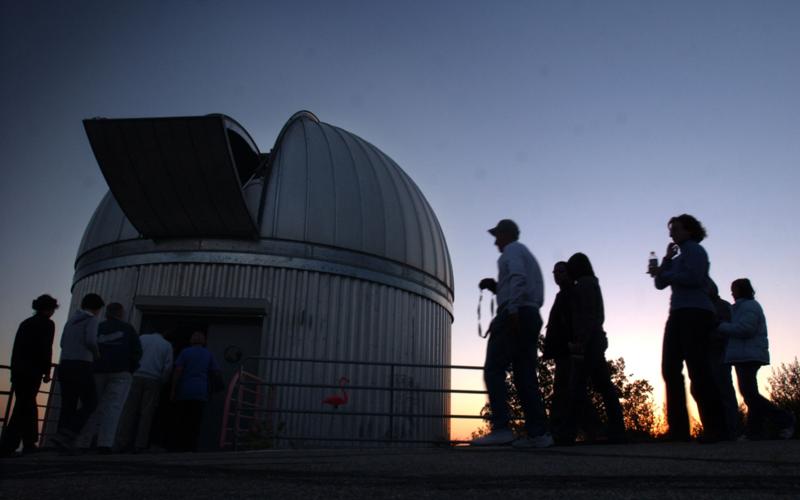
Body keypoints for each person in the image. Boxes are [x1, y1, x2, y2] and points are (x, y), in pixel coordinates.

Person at [470, 219, 552, 448]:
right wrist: (496, 287)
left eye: (497, 235)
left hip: (514, 314)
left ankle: (502, 429)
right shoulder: (525, 253)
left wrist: (512, 309)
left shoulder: (511, 251)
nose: (495, 241)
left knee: (494, 369)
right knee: (525, 374)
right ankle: (538, 434)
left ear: (506, 234)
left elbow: (518, 278)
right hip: (531, 313)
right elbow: (519, 283)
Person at [649, 214, 724, 442]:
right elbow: (660, 284)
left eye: (676, 229)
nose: (672, 234)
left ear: (689, 231)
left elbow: (693, 277)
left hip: (696, 313)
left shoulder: (695, 251)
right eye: (671, 230)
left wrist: (666, 272)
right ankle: (679, 430)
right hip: (678, 314)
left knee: (698, 369)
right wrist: (666, 261)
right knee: (670, 368)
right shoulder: (678, 256)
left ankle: (716, 429)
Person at [717, 278, 795, 439]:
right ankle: (754, 431)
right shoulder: (739, 308)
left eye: (734, 289)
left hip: (749, 355)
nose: (732, 292)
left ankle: (785, 419)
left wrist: (722, 327)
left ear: (742, 290)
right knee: (750, 393)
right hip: (743, 355)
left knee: (749, 393)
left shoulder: (750, 306)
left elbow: (747, 329)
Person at [561, 253, 626, 444]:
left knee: (576, 386)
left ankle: (569, 432)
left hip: (588, 342)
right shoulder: (590, 284)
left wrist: (580, 341)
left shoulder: (585, 285)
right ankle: (615, 429)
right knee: (602, 385)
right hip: (594, 340)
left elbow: (587, 316)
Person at [75, 303, 142, 453]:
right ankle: (104, 443)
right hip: (120, 372)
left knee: (93, 406)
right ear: (121, 313)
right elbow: (137, 350)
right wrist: (130, 368)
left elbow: (87, 344)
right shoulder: (128, 329)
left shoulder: (99, 327)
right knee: (113, 407)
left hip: (98, 371)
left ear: (107, 313)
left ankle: (83, 442)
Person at [0, 294, 59, 456]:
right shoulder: (47, 324)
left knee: (26, 404)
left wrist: (14, 371)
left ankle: (27, 441)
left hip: (19, 371)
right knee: (24, 407)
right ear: (49, 309)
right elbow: (46, 349)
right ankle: (10, 444)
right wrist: (47, 372)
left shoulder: (26, 323)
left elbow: (16, 349)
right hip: (33, 371)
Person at [51, 293, 104, 451]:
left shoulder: (71, 321)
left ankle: (60, 440)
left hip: (65, 364)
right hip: (81, 364)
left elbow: (61, 343)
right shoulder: (92, 320)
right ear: (96, 308)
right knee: (91, 402)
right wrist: (97, 354)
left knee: (68, 403)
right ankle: (69, 434)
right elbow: (90, 340)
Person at [116, 330, 173, 453]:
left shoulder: (142, 338)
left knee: (129, 410)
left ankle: (122, 441)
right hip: (153, 379)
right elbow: (168, 366)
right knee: (146, 413)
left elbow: (132, 354)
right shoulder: (166, 345)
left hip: (136, 375)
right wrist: (162, 381)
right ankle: (139, 444)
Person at [170, 331, 222, 451]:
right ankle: (191, 447)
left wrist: (173, 389)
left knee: (181, 419)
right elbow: (216, 371)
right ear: (204, 341)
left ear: (191, 340)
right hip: (200, 391)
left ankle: (177, 447)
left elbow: (178, 370)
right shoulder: (208, 354)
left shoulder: (185, 352)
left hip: (185, 390)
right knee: (195, 421)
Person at [707, 278, 739, 440]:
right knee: (713, 391)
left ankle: (731, 430)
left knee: (725, 390)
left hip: (720, 352)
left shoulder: (723, 306)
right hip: (709, 353)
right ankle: (718, 429)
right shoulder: (709, 306)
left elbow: (727, 329)